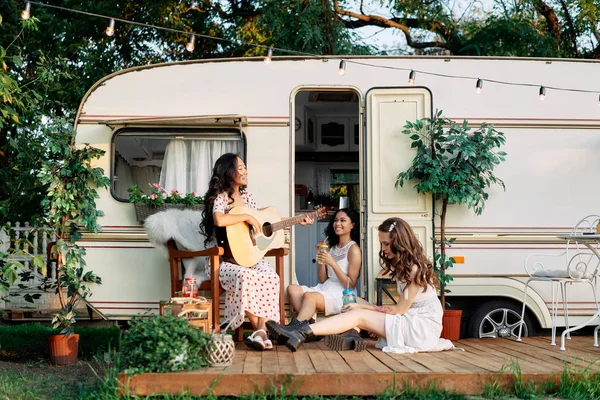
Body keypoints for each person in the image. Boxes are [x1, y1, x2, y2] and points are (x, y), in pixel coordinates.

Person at [266, 217, 454, 354]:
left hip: (420, 329)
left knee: (358, 312)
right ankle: (351, 336)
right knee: (356, 303)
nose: (383, 249)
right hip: (411, 320)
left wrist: (364, 309)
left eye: (387, 244)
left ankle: (300, 331)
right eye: (382, 244)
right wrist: (364, 307)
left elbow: (398, 310)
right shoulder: (406, 267)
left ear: (400, 243)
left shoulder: (415, 270)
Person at [200, 153, 313, 351]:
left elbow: (262, 222)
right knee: (246, 276)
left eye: (245, 167)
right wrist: (245, 217)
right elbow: (219, 220)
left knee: (271, 277)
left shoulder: (248, 197)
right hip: (225, 262)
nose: (245, 171)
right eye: (241, 168)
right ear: (228, 171)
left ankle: (260, 333)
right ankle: (261, 331)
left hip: (248, 258)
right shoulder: (221, 198)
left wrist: (295, 220)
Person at [287, 208, 362, 324]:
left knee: (310, 296)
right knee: (292, 289)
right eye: (336, 220)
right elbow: (323, 279)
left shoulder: (354, 249)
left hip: (342, 294)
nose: (337, 223)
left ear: (352, 225)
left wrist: (332, 262)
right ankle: (309, 323)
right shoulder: (331, 247)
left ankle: (296, 327)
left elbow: (350, 285)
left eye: (343, 220)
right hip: (326, 287)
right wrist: (321, 258)